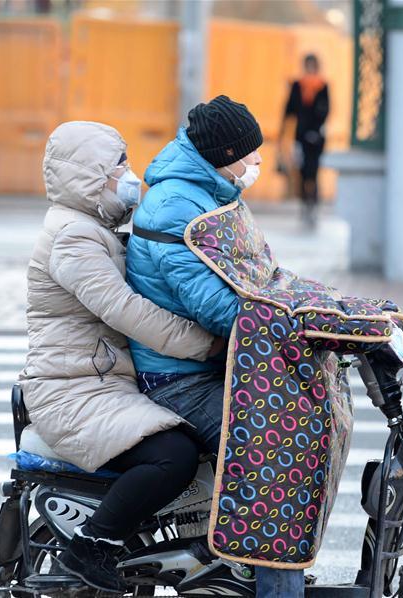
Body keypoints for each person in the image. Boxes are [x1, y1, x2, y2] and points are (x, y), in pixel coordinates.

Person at [19, 121, 223, 593]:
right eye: (119, 166)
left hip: (101, 383)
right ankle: (92, 544)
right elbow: (128, 311)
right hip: (71, 391)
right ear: (89, 176)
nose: (130, 175)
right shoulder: (74, 238)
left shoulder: (97, 227)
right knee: (173, 455)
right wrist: (208, 345)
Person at [125, 96, 305, 597]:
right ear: (225, 153)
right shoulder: (176, 205)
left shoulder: (212, 190)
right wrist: (293, 329)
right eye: (249, 155)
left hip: (209, 362)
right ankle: (275, 584)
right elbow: (214, 305)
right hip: (177, 378)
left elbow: (254, 273)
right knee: (274, 451)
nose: (256, 164)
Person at [280, 53, 329, 227]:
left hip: (316, 139)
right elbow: (289, 110)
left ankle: (313, 205)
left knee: (313, 171)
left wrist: (315, 130)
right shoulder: (297, 85)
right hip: (300, 137)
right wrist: (284, 133)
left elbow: (325, 111)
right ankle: (304, 205)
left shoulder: (322, 86)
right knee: (301, 171)